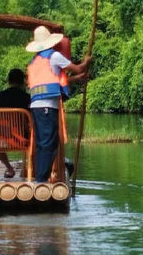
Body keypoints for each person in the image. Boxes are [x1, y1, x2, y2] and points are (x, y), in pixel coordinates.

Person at [25, 25, 91, 183]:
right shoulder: (54, 56)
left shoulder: (35, 61)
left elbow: (56, 80)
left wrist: (78, 78)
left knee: (42, 143)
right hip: (48, 106)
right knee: (50, 144)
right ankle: (41, 180)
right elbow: (78, 68)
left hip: (36, 106)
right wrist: (87, 61)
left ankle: (40, 177)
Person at [0, 68, 31, 178]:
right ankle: (29, 169)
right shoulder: (27, 98)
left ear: (9, 81)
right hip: (22, 138)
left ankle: (9, 168)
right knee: (35, 136)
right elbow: (32, 119)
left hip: (2, 137)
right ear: (22, 81)